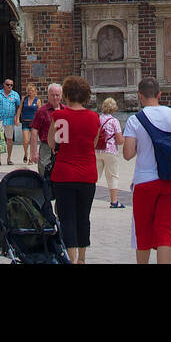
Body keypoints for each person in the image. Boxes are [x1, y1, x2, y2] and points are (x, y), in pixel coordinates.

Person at [122, 76, 171, 265]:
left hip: (145, 181)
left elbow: (128, 154)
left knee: (143, 231)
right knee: (165, 231)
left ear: (140, 95)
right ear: (159, 94)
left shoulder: (134, 120)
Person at [49, 75, 100, 264]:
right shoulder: (94, 117)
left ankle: (70, 257)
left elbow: (52, 143)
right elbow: (93, 143)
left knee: (66, 217)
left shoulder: (59, 116)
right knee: (83, 217)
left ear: (66, 94)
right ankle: (82, 258)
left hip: (63, 173)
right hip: (87, 173)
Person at [96, 97, 124, 208]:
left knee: (95, 176)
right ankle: (114, 202)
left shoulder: (97, 118)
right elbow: (120, 140)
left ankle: (86, 200)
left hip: (97, 150)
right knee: (112, 176)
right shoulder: (114, 121)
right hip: (110, 151)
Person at [32, 83, 63, 178]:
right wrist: (34, 152)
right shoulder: (41, 111)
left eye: (57, 95)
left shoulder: (65, 110)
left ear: (61, 96)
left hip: (62, 147)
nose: (55, 97)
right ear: (48, 95)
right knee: (45, 174)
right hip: (46, 147)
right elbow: (34, 131)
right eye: (52, 95)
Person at [0, 78, 21, 166]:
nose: (9, 87)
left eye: (11, 85)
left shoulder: (15, 95)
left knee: (9, 140)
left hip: (10, 120)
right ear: (4, 84)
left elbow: (18, 107)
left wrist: (17, 117)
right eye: (8, 85)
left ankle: (9, 158)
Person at [19, 83, 41, 163]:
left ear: (35, 92)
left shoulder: (37, 101)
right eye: (29, 91)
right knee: (25, 140)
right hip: (25, 121)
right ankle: (25, 153)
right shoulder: (24, 99)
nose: (30, 92)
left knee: (33, 141)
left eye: (32, 91)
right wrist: (17, 118)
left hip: (34, 123)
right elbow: (20, 109)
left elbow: (40, 112)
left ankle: (31, 157)